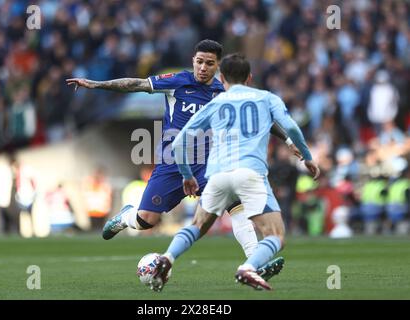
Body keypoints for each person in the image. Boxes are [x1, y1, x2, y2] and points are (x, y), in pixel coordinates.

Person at [66, 40, 299, 271]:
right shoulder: (177, 81)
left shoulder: (224, 90)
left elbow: (260, 115)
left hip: (208, 165)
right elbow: (134, 83)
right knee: (146, 220)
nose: (203, 68)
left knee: (235, 205)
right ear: (193, 61)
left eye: (209, 63)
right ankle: (126, 217)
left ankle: (254, 264)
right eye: (199, 62)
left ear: (217, 66)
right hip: (172, 164)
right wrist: (96, 84)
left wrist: (289, 141)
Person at [150, 53, 320, 292]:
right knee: (275, 234)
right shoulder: (266, 98)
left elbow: (179, 143)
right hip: (250, 174)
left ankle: (167, 257)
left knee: (197, 226)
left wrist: (187, 175)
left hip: (217, 175)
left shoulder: (214, 104)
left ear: (222, 77)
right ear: (249, 77)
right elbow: (291, 126)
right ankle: (248, 267)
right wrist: (307, 157)